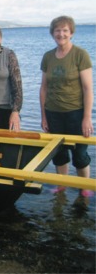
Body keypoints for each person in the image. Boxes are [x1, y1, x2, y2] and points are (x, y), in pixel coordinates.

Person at [40, 16, 94, 197]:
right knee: (60, 153)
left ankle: (84, 188)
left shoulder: (80, 55)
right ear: (52, 33)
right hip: (53, 112)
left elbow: (88, 89)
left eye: (65, 30)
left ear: (71, 33)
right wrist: (44, 117)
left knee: (80, 154)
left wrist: (87, 117)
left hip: (76, 113)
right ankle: (62, 186)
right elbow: (44, 88)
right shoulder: (48, 56)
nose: (61, 34)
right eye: (57, 30)